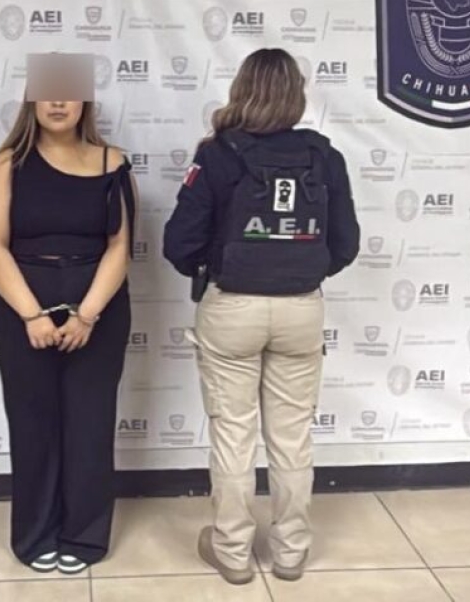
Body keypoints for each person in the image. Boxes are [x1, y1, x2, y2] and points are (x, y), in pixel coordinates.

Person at [163, 48, 359, 585]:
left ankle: (232, 553)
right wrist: (298, 272)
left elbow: (178, 243)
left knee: (233, 436)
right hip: (301, 308)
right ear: (297, 94)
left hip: (232, 309)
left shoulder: (218, 155)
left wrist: (214, 268)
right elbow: (346, 244)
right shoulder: (325, 156)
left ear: (241, 89)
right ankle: (291, 553)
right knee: (292, 440)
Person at [0, 53, 136, 575]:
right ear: (31, 100)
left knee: (90, 425)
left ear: (85, 100)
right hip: (22, 311)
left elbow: (120, 247)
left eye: (69, 92)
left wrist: (87, 315)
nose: (58, 102)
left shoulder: (114, 162)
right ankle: (35, 535)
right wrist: (33, 316)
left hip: (99, 311)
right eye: (48, 92)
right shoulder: (7, 165)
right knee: (33, 425)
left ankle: (85, 536)